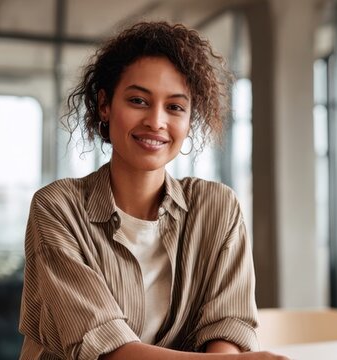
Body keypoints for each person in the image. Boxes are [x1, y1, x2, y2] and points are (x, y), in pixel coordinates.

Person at [18, 22, 287, 360]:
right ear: (105, 105)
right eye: (138, 100)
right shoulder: (58, 207)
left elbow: (227, 324)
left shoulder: (218, 207)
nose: (156, 121)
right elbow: (106, 348)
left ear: (190, 120)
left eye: (175, 107)